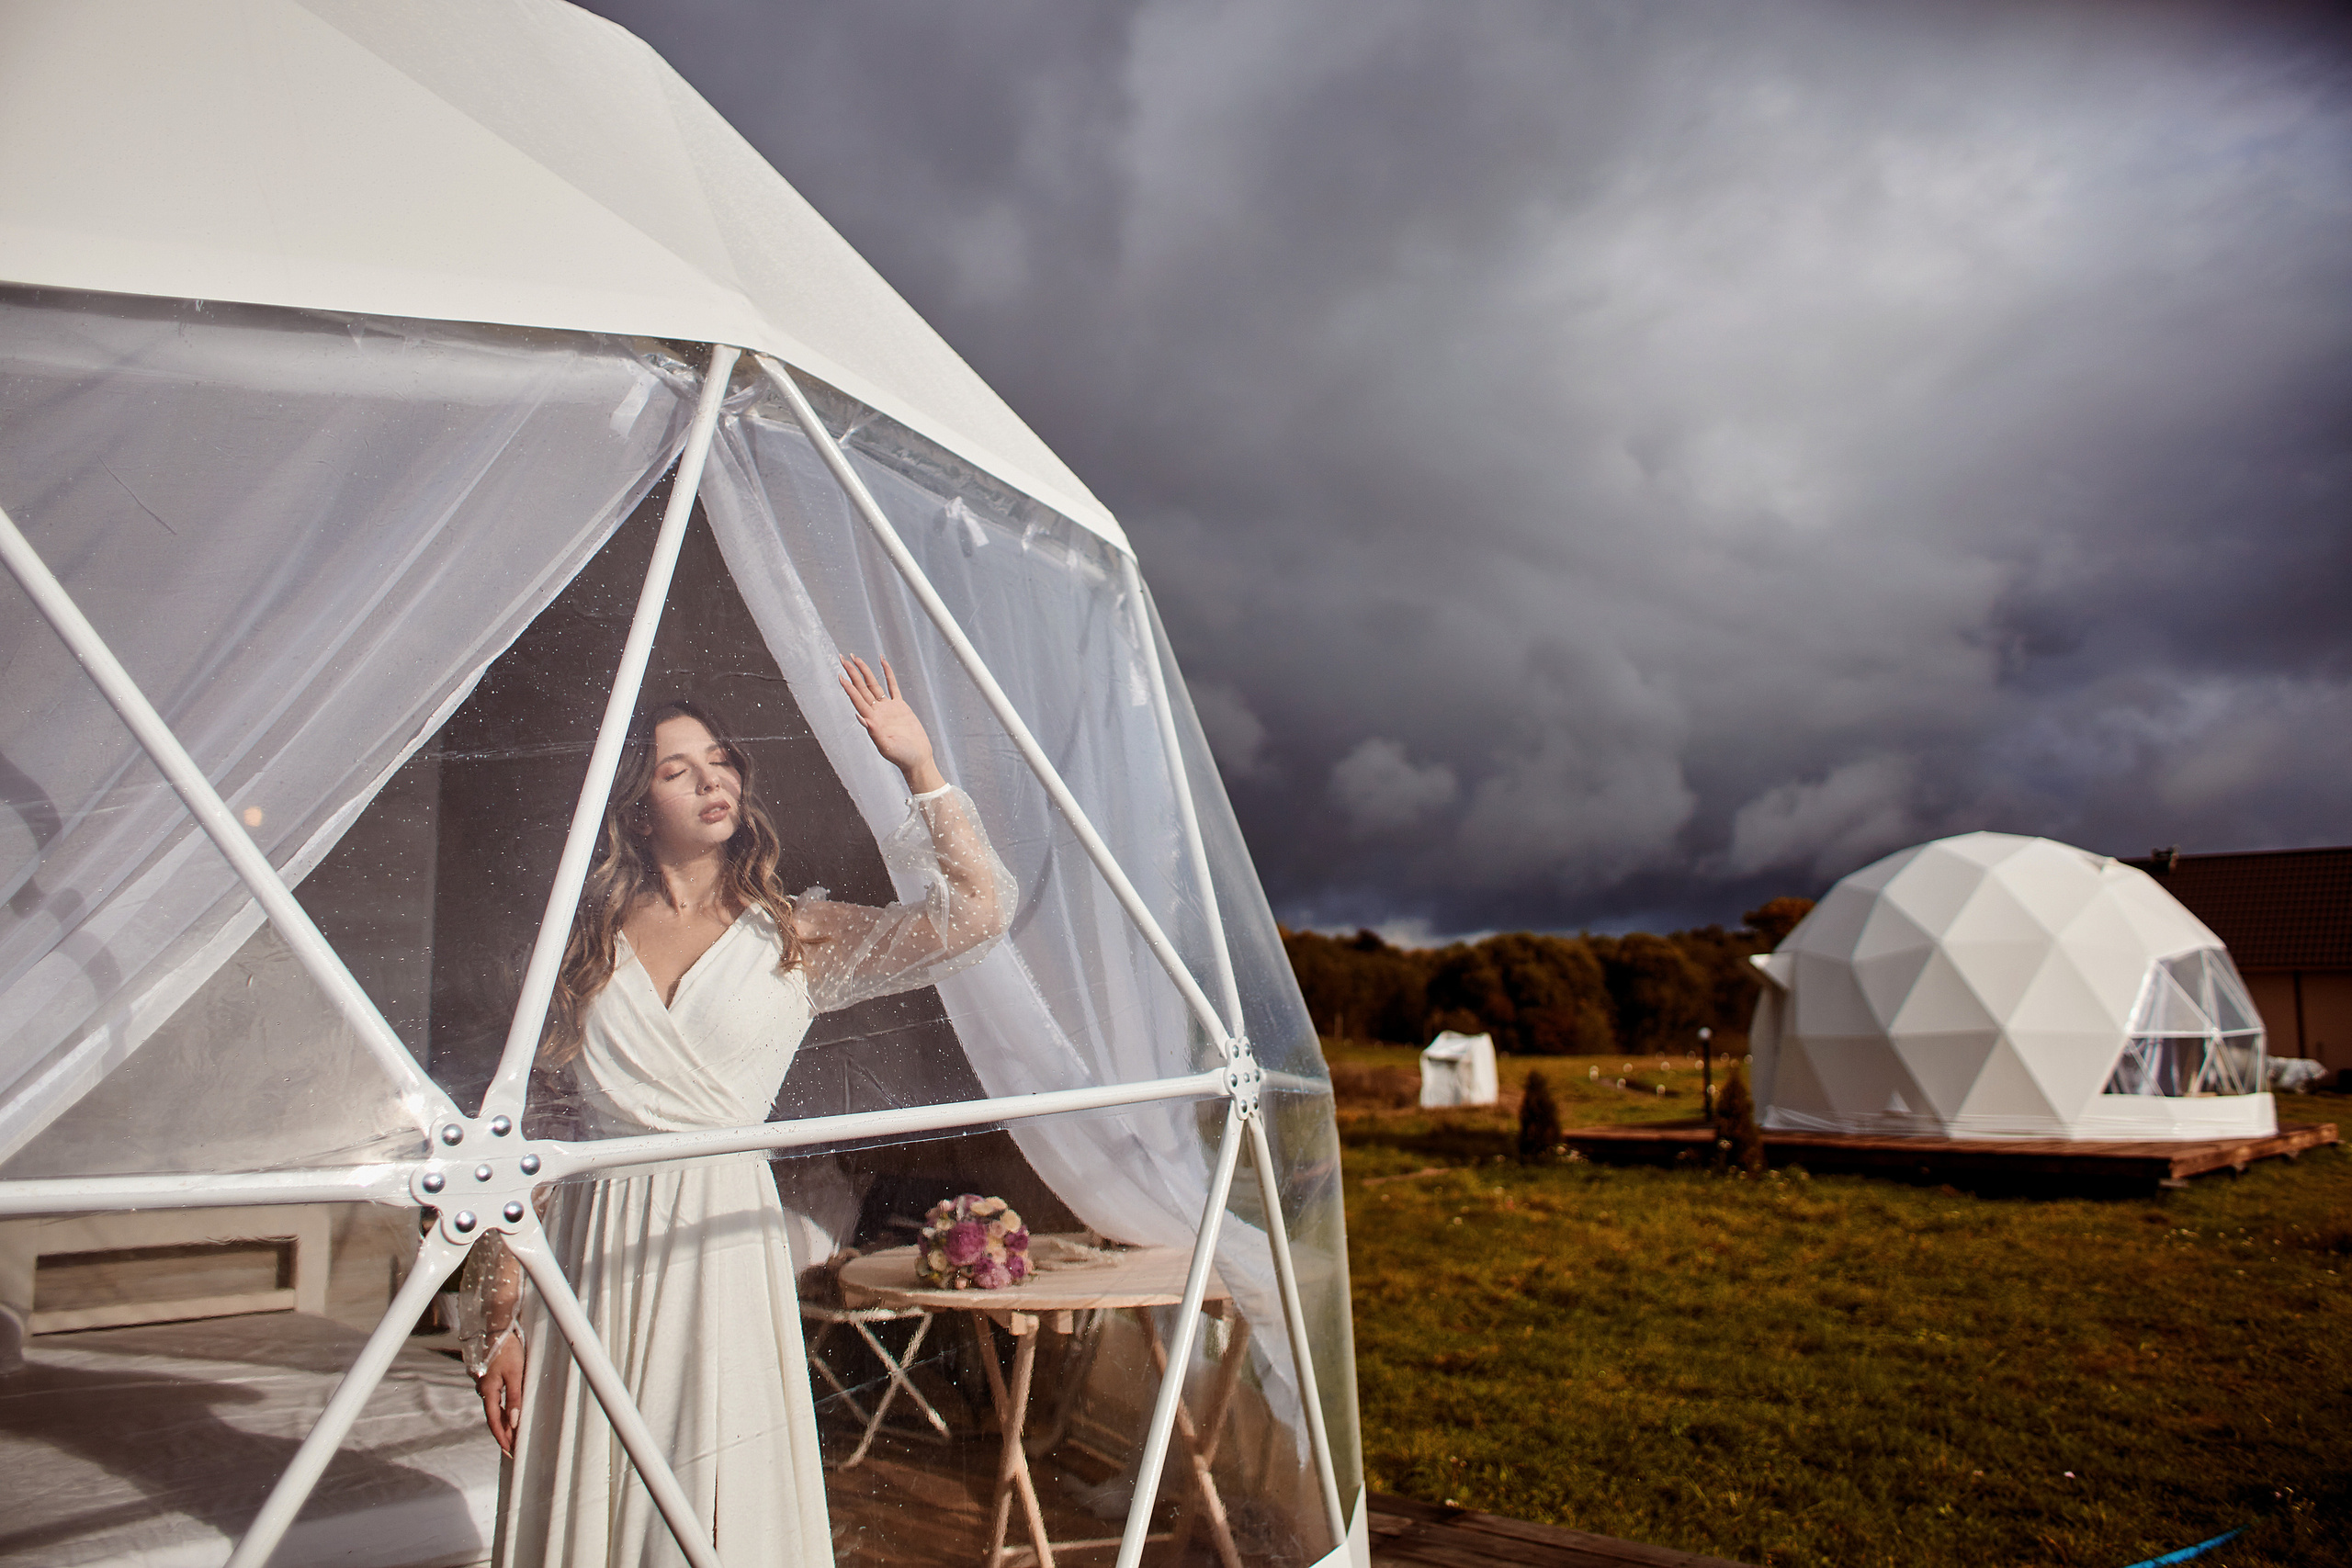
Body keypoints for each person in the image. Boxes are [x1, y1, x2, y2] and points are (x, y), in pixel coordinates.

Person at [458, 657, 1015, 1567]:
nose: (713, 779)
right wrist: (498, 1324)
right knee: (597, 1491)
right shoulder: (578, 950)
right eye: (679, 769)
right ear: (639, 806)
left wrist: (918, 767)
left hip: (724, 1242)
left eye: (720, 761)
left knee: (722, 1501)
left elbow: (976, 915)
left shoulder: (795, 932)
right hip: (598, 1252)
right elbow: (523, 1141)